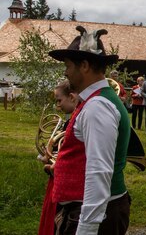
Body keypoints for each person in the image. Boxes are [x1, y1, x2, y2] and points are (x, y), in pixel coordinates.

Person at [48, 26, 131, 234]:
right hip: (90, 211)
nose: (65, 72)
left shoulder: (97, 106)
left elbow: (99, 172)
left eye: (68, 66)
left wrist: (86, 228)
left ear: (84, 65)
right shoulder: (95, 101)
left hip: (93, 216)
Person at [38, 80, 79, 235]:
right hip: (58, 180)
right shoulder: (71, 120)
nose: (58, 105)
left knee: (57, 223)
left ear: (72, 97)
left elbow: (69, 153)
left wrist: (50, 160)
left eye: (59, 100)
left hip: (64, 182)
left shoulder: (75, 121)